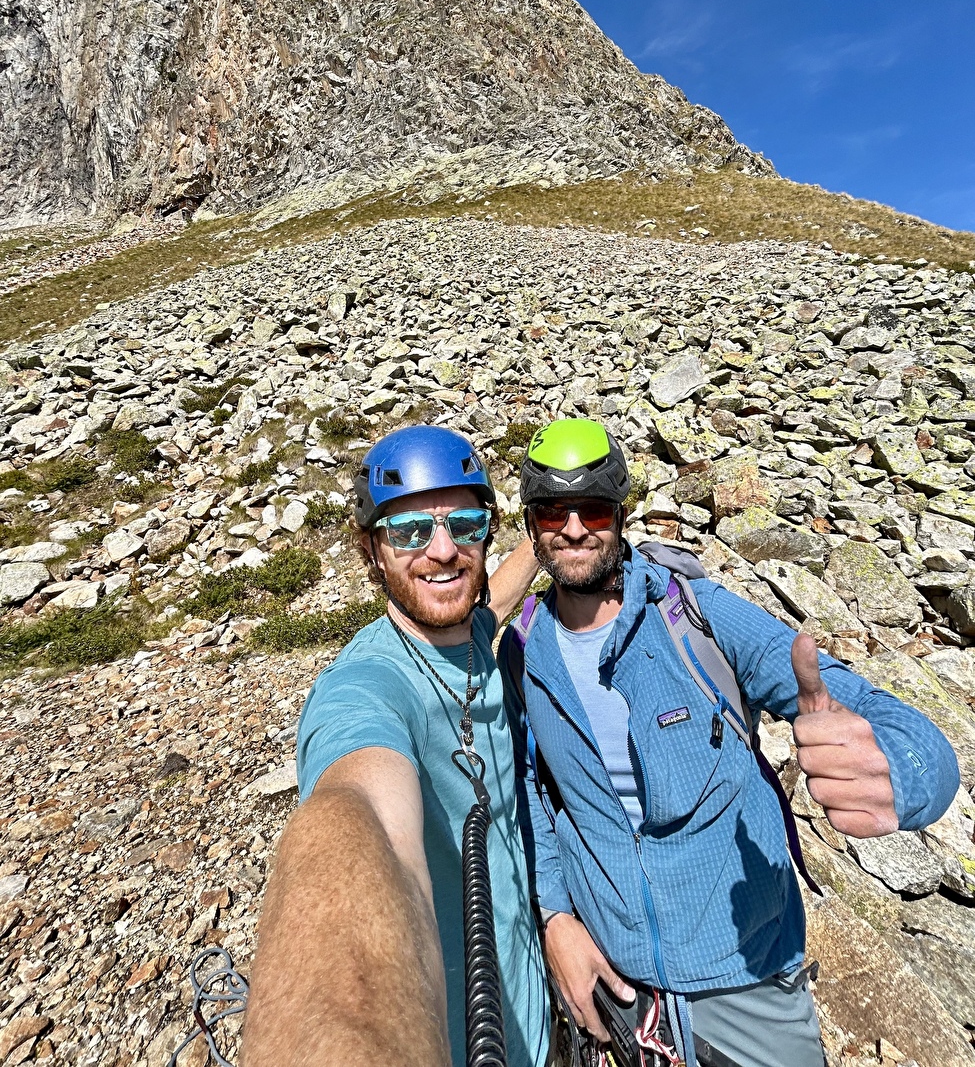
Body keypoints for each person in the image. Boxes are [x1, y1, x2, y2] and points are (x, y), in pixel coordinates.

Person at [502, 417, 960, 1067]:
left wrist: (903, 769)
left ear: (620, 514)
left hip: (744, 969)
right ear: (530, 525)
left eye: (593, 509)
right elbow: (537, 796)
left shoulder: (694, 615)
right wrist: (555, 920)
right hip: (613, 981)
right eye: (552, 511)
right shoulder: (523, 652)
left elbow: (867, 707)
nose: (573, 528)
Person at [242, 424, 550, 1067]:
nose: (443, 551)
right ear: (370, 552)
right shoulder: (367, 684)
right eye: (410, 532)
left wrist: (547, 540)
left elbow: (491, 596)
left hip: (536, 1010)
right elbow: (360, 816)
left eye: (465, 525)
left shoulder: (469, 629)